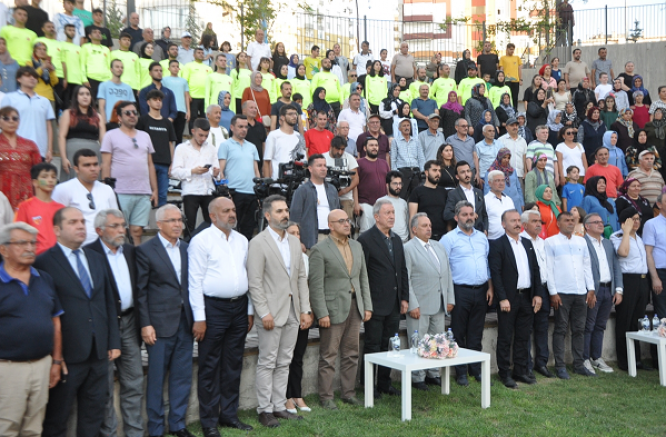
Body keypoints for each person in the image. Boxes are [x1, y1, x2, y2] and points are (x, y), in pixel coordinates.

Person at [36, 206, 120, 437]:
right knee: (58, 416)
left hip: (99, 352)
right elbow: (44, 311)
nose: (80, 226)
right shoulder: (44, 262)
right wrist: (55, 355)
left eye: (82, 221)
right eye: (73, 222)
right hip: (67, 354)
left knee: (93, 414)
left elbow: (108, 301)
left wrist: (113, 341)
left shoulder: (96, 257)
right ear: (57, 229)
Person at [187, 197, 254, 436]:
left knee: (233, 364)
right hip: (212, 309)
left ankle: (229, 415)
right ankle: (208, 422)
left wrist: (249, 310)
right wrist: (199, 317)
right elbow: (194, 281)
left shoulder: (242, 240)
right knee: (209, 366)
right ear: (212, 216)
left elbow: (248, 276)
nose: (232, 214)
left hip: (239, 308)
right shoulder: (200, 241)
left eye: (233, 210)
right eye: (226, 211)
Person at [247, 195, 312, 427]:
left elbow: (301, 278)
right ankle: (264, 410)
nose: (285, 215)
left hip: (293, 311)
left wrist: (305, 309)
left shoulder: (294, 242)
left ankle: (279, 405)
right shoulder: (258, 243)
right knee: (267, 361)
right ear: (267, 215)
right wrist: (263, 312)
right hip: (271, 314)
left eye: (286, 210)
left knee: (285, 361)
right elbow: (255, 282)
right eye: (279, 211)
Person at [135, 204, 194, 437]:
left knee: (182, 376)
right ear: (159, 224)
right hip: (158, 326)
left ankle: (178, 424)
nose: (178, 224)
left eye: (179, 220)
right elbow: (140, 292)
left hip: (185, 323)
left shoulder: (187, 248)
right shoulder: (145, 250)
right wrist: (145, 324)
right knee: (157, 379)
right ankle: (156, 428)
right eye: (172, 220)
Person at [0, 222, 63, 437]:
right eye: (21, 243)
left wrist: (56, 361)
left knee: (34, 429)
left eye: (32, 243)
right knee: (6, 428)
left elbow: (56, 323)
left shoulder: (44, 278)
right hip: (7, 369)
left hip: (41, 365)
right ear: (3, 249)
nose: (29, 248)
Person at [86, 209, 143, 437]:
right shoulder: (88, 254)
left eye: (123, 225)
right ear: (99, 230)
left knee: (134, 381)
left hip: (129, 322)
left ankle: (135, 432)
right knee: (105, 386)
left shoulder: (130, 251)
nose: (122, 230)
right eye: (115, 226)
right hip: (103, 327)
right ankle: (108, 433)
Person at [308, 209, 372, 408]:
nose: (347, 224)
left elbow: (363, 278)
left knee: (351, 353)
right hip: (332, 308)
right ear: (331, 225)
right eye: (341, 221)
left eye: (348, 220)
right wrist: (322, 313)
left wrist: (367, 305)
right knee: (328, 355)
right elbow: (315, 285)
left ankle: (348, 393)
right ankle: (326, 397)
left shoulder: (357, 246)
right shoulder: (319, 249)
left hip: (355, 305)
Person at [358, 199, 409, 395]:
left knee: (390, 344)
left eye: (393, 212)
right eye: (387, 213)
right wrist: (366, 303)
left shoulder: (396, 240)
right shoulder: (366, 240)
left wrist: (404, 298)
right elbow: (363, 274)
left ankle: (384, 383)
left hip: (394, 303)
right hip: (375, 302)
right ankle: (368, 384)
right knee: (373, 344)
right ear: (376, 216)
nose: (392, 216)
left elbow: (402, 270)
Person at [489, 209, 544, 388]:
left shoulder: (527, 243)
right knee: (505, 337)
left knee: (523, 336)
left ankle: (520, 371)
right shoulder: (498, 244)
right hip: (509, 299)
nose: (517, 223)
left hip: (527, 297)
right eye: (513, 221)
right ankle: (504, 373)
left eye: (519, 220)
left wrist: (537, 294)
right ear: (503, 224)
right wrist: (502, 298)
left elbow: (535, 270)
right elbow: (496, 273)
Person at [440, 200, 493, 385]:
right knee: (458, 333)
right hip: (459, 291)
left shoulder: (482, 238)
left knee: (476, 333)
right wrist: (448, 295)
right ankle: (461, 372)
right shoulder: (448, 239)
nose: (469, 217)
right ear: (456, 217)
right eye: (464, 214)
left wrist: (490, 287)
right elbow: (443, 268)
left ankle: (475, 370)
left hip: (481, 290)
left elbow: (487, 264)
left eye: (471, 214)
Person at [404, 213, 455, 389]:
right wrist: (412, 304)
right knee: (418, 341)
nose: (429, 229)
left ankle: (433, 373)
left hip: (439, 303)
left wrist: (449, 298)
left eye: (430, 225)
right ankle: (417, 377)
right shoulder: (408, 248)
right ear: (414, 229)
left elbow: (447, 274)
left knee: (437, 340)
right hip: (419, 305)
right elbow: (406, 278)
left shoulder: (438, 246)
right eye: (424, 226)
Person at [544, 211, 595, 379]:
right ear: (558, 224)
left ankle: (579, 364)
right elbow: (549, 269)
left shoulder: (581, 241)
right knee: (560, 329)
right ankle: (560, 366)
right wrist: (553, 292)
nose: (571, 223)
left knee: (579, 329)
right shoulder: (550, 242)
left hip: (580, 292)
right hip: (562, 293)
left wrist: (591, 288)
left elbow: (587, 266)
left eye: (572, 220)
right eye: (566, 220)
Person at [100, 101, 158, 245]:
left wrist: (155, 189)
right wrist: (105, 189)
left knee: (137, 231)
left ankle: (136, 258)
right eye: (127, 113)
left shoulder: (145, 136)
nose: (132, 115)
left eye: (134, 112)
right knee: (118, 230)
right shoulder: (110, 135)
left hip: (143, 191)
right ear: (119, 117)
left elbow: (150, 164)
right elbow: (106, 164)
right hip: (120, 191)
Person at [579, 212, 621, 376]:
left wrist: (618, 289)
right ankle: (584, 358)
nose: (600, 224)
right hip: (592, 291)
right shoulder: (582, 242)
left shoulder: (608, 243)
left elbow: (616, 266)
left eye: (601, 221)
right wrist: (589, 290)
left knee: (600, 325)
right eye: (596, 222)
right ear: (587, 226)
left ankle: (596, 357)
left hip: (608, 289)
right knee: (588, 325)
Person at [610, 207, 650, 372]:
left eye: (638, 219)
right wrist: (626, 232)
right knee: (625, 320)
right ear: (624, 221)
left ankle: (636, 359)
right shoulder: (617, 236)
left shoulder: (639, 238)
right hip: (628, 280)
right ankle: (624, 360)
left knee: (637, 321)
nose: (636, 222)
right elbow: (623, 253)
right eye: (632, 219)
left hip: (642, 280)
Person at [52, 148, 119, 246]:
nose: (93, 168)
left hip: (105, 246)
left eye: (95, 164)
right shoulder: (62, 189)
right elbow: (55, 222)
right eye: (87, 165)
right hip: (75, 247)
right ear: (76, 169)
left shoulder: (107, 189)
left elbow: (116, 219)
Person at [519, 209, 554, 378]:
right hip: (528, 290)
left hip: (544, 289)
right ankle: (527, 364)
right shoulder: (520, 241)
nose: (539, 224)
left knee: (542, 327)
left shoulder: (543, 242)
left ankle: (542, 363)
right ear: (524, 225)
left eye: (540, 221)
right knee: (526, 329)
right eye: (534, 221)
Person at [170, 117, 218, 236]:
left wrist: (215, 173)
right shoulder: (182, 148)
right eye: (200, 135)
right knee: (189, 225)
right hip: (190, 190)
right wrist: (192, 171)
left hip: (208, 190)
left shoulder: (211, 148)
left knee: (211, 224)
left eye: (206, 136)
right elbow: (174, 172)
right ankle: (189, 245)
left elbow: (215, 170)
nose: (203, 138)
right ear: (193, 131)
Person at [218, 114, 261, 241]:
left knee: (249, 229)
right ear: (232, 127)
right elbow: (221, 170)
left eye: (246, 127)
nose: (244, 130)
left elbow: (256, 170)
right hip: (234, 192)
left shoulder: (252, 147)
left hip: (251, 193)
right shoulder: (225, 145)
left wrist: (258, 191)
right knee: (232, 227)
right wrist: (226, 192)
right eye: (240, 126)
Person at [282, 222, 310, 414]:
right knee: (284, 357)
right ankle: (285, 397)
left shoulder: (304, 258)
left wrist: (307, 311)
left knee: (298, 356)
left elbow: (306, 286)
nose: (296, 236)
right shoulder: (280, 256)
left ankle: (297, 394)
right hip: (284, 312)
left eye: (298, 233)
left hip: (301, 312)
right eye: (292, 232)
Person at [2, 66, 55, 161]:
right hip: (15, 149)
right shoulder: (9, 98)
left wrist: (49, 150)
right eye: (28, 76)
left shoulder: (44, 101)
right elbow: (2, 122)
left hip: (40, 150)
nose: (32, 78)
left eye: (34, 77)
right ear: (19, 79)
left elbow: (49, 127)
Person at [290, 154, 341, 250]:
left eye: (325, 165)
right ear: (310, 168)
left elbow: (338, 213)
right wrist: (298, 242)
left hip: (332, 237)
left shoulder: (332, 189)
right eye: (319, 166)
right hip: (312, 239)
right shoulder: (302, 190)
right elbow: (294, 218)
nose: (323, 168)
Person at [136, 89, 177, 207]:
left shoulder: (167, 123)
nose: (158, 102)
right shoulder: (142, 121)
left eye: (160, 100)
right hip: (148, 163)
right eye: (155, 99)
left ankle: (161, 218)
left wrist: (172, 163)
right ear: (148, 102)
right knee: (147, 195)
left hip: (164, 164)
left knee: (163, 195)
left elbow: (170, 143)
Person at [14, 163, 62, 254]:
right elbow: (18, 234)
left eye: (53, 177)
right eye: (45, 177)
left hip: (58, 256)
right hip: (36, 257)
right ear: (35, 182)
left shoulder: (61, 208)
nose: (50, 180)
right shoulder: (25, 206)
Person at [0, 105, 42, 210]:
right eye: (6, 118)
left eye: (15, 118)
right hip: (2, 191)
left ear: (19, 122)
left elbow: (39, 172)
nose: (11, 121)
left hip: (26, 190)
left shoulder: (30, 145)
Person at [644, 193, 666, 366]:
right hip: (661, 273)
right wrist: (655, 278)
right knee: (662, 315)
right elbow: (648, 253)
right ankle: (659, 359)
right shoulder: (651, 224)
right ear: (659, 204)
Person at [354, 138, 390, 233]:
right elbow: (354, 185)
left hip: (382, 205)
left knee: (382, 232)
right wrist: (356, 204)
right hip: (365, 204)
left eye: (376, 145)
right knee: (366, 233)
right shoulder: (359, 163)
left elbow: (388, 183)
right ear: (365, 148)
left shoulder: (384, 163)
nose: (374, 147)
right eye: (371, 145)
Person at [407, 160, 448, 240]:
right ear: (426, 172)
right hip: (423, 236)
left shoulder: (444, 192)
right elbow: (412, 216)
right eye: (434, 170)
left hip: (443, 236)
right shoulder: (417, 191)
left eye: (439, 171)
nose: (438, 173)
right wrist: (413, 237)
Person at [443, 161, 488, 232]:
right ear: (457, 176)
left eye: (468, 171)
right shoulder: (453, 193)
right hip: (462, 232)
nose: (466, 174)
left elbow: (484, 214)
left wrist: (485, 229)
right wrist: (466, 215)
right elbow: (447, 214)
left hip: (479, 232)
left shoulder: (479, 192)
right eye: (462, 172)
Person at [324, 135, 359, 220]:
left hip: (345, 198)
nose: (340, 152)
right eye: (337, 149)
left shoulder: (349, 158)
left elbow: (356, 179)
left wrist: (344, 191)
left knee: (345, 224)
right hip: (326, 198)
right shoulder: (322, 158)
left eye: (342, 149)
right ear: (331, 146)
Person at [263, 103, 301, 178]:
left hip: (296, 180)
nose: (294, 116)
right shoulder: (273, 135)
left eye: (295, 114)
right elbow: (267, 161)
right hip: (278, 181)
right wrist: (268, 182)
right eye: (290, 114)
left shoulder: (299, 137)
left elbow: (303, 161)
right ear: (282, 117)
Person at [183, 47, 213, 131]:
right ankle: (192, 134)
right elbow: (185, 81)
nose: (201, 54)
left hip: (205, 97)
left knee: (204, 117)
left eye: (202, 53)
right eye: (199, 53)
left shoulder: (208, 68)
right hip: (193, 96)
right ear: (194, 55)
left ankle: (204, 133)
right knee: (193, 117)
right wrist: (187, 94)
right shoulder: (188, 66)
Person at [97, 59, 135, 125]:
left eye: (122, 67)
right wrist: (104, 123)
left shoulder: (128, 88)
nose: (120, 69)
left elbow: (131, 107)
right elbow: (101, 107)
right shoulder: (103, 85)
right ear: (111, 69)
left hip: (125, 123)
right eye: (117, 67)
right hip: (109, 122)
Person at [484, 167, 518, 240]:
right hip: (492, 239)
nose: (501, 183)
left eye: (503, 180)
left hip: (509, 239)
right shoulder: (485, 200)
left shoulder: (509, 200)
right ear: (490, 183)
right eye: (497, 180)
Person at [162, 59, 190, 145]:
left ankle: (178, 152)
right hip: (169, 110)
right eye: (173, 66)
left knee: (179, 135)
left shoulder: (184, 81)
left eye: (177, 66)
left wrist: (188, 110)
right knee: (167, 135)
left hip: (181, 109)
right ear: (169, 68)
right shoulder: (164, 80)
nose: (175, 68)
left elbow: (186, 95)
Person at [78, 28, 109, 99]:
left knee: (104, 102)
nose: (98, 34)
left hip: (105, 80)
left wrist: (110, 80)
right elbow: (82, 64)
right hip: (91, 79)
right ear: (90, 36)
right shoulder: (85, 47)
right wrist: (84, 79)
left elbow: (109, 66)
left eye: (99, 33)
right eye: (95, 32)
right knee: (92, 102)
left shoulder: (106, 49)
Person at [498, 43, 522, 108]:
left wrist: (520, 79)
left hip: (515, 81)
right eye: (511, 49)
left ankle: (515, 110)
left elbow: (519, 69)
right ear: (507, 49)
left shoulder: (517, 58)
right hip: (506, 81)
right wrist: (501, 79)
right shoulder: (503, 58)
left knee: (515, 97)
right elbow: (501, 69)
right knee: (506, 96)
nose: (512, 51)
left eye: (513, 49)